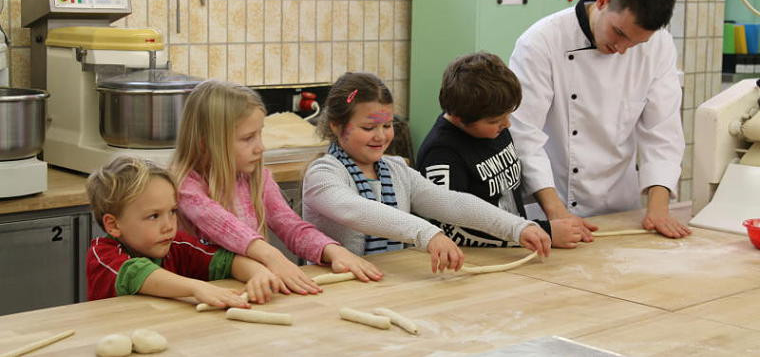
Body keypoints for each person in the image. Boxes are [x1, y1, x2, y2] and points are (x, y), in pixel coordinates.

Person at [508, 0, 691, 239]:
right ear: (603, 2)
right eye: (619, 33)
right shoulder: (541, 42)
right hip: (551, 210)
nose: (621, 49)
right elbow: (524, 136)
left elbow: (662, 132)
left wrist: (658, 208)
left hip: (621, 212)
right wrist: (556, 213)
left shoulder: (659, 45)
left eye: (635, 44)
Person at [302, 72, 551, 274]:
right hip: (340, 289)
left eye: (387, 125)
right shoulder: (323, 175)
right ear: (336, 126)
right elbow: (359, 210)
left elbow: (450, 202)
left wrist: (517, 227)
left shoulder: (396, 169)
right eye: (369, 127)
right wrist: (427, 234)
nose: (381, 136)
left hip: (388, 281)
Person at [172, 80, 382, 297]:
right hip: (195, 298)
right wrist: (272, 258)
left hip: (250, 290)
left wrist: (333, 250)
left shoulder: (257, 178)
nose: (260, 147)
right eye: (247, 138)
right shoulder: (186, 187)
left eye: (259, 134)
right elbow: (226, 227)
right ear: (206, 144)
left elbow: (290, 225)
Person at [416, 51, 583, 248]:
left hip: (514, 247)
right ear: (460, 118)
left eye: (508, 115)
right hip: (476, 262)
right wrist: (540, 232)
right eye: (495, 120)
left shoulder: (493, 127)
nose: (507, 125)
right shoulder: (441, 153)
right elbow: (451, 230)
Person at [86, 156, 280, 305]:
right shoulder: (102, 254)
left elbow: (225, 262)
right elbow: (137, 274)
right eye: (154, 216)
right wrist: (196, 287)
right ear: (113, 225)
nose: (169, 225)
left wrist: (258, 274)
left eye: (172, 211)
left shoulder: (176, 244)